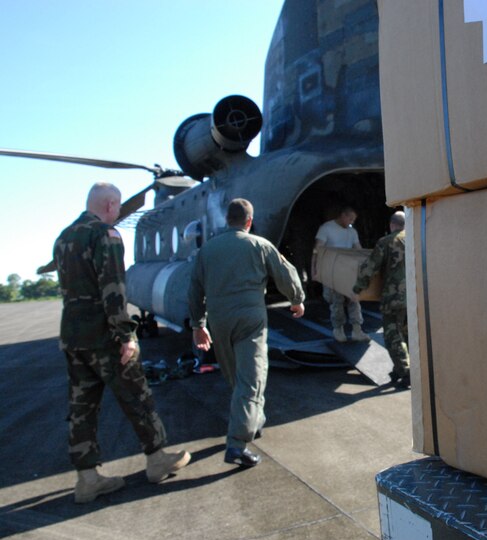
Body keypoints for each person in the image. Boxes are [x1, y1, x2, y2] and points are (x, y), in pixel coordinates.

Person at [54, 182, 190, 504]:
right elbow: (113, 289)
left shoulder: (63, 238)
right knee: (137, 397)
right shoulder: (105, 235)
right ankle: (157, 459)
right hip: (103, 337)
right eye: (117, 208)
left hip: (73, 337)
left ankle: (87, 479)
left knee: (81, 408)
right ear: (111, 205)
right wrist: (126, 335)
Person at [189, 198, 305, 468]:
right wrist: (297, 299)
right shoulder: (259, 244)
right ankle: (237, 445)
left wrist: (198, 325)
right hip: (250, 320)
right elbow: (284, 272)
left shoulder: (207, 250)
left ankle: (254, 419)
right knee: (251, 380)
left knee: (237, 378)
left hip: (219, 321)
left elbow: (194, 289)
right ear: (249, 222)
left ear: (227, 220)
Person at [353, 211, 410, 387]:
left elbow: (370, 267)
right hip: (415, 297)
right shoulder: (415, 238)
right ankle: (401, 368)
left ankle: (407, 373)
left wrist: (357, 288)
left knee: (393, 336)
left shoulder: (386, 242)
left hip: (394, 298)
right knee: (409, 335)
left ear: (392, 225)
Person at [312, 206, 369, 343]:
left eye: (353, 220)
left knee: (354, 299)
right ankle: (338, 330)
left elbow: (358, 248)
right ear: (343, 215)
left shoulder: (352, 231)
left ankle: (357, 330)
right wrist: (315, 269)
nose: (351, 222)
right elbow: (318, 249)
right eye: (350, 219)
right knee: (336, 301)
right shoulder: (326, 228)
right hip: (332, 269)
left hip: (349, 270)